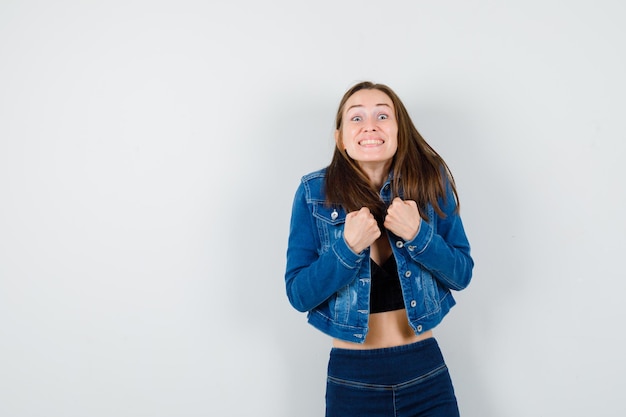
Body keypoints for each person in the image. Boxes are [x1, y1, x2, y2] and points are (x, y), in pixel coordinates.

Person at [285, 81, 473, 417]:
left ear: (399, 131)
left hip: (425, 373)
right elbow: (299, 294)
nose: (370, 125)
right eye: (356, 118)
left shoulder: (431, 183)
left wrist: (419, 234)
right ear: (340, 138)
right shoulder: (313, 193)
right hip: (352, 379)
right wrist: (347, 247)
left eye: (382, 115)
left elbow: (461, 274)